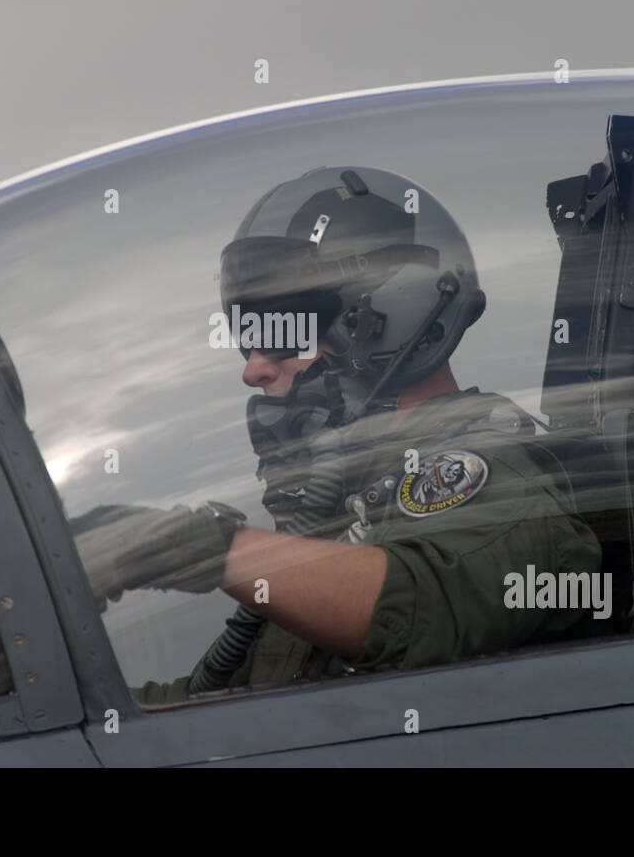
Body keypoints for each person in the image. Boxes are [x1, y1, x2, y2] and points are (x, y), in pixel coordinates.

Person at [76, 166, 603, 704]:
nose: (252, 368)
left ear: (387, 319)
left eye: (283, 330)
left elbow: (424, 613)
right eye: (248, 335)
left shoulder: (491, 473)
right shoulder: (341, 526)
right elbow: (224, 707)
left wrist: (197, 549)